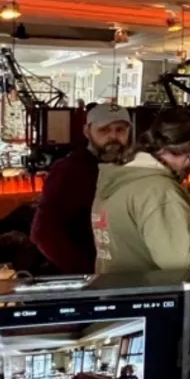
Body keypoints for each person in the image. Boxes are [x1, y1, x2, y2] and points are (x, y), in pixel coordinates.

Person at [91, 106, 190, 274]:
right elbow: (186, 262)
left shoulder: (119, 179)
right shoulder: (158, 191)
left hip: (116, 288)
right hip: (147, 290)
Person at [32, 104, 132, 274]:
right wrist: (87, 271)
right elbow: (44, 233)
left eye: (120, 130)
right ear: (87, 131)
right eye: (104, 130)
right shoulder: (69, 171)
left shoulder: (130, 169)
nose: (113, 136)